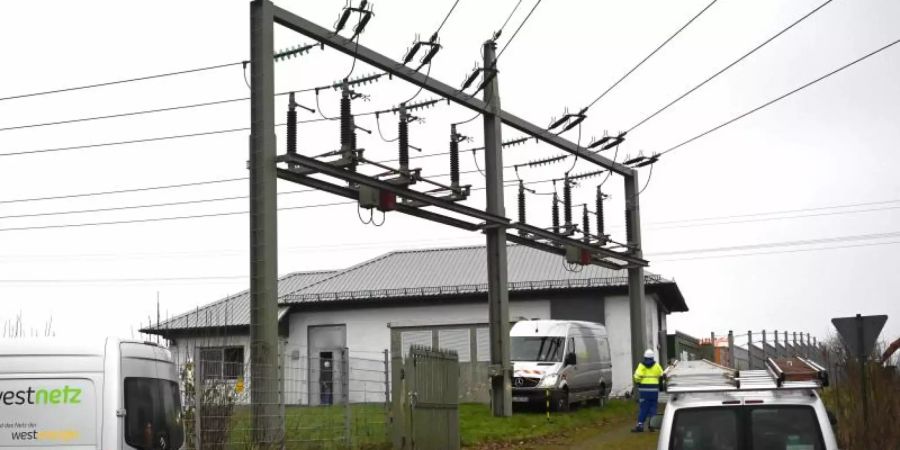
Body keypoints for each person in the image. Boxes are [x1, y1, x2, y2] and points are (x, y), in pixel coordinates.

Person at [631, 348, 664, 432]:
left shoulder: (641, 365)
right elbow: (662, 374)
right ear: (653, 357)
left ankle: (640, 425)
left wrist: (638, 382)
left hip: (644, 390)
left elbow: (637, 377)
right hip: (654, 390)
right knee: (653, 407)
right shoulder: (657, 366)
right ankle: (652, 425)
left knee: (643, 408)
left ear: (645, 357)